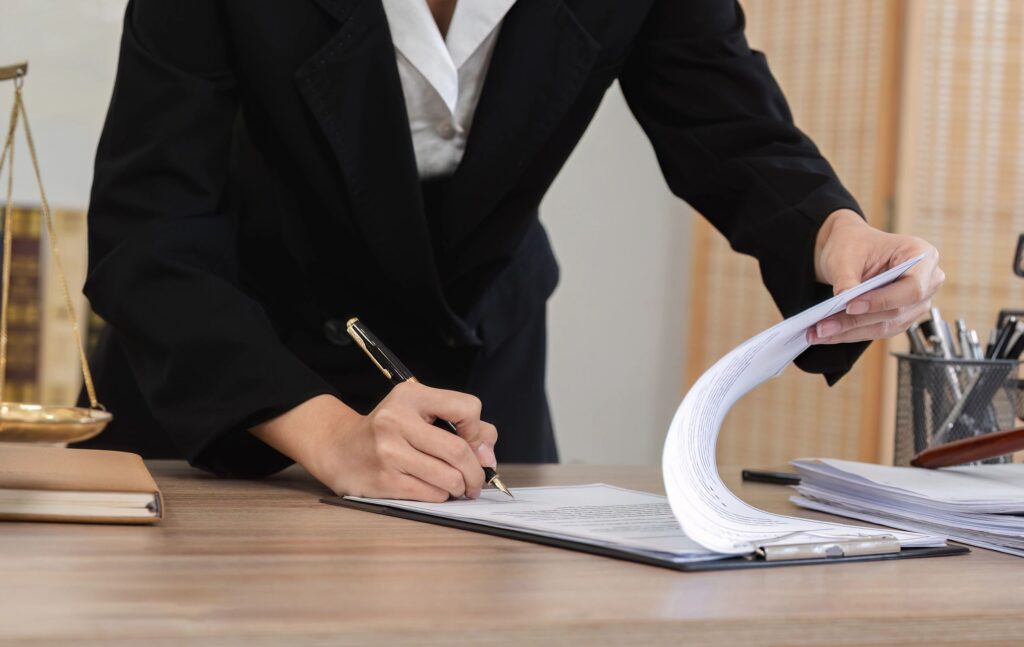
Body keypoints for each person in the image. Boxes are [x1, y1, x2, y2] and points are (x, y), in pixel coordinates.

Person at [78, 0, 944, 502]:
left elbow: (733, 128)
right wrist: (335, 439)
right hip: (230, 368)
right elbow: (150, 226)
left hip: (474, 355)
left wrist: (833, 232)